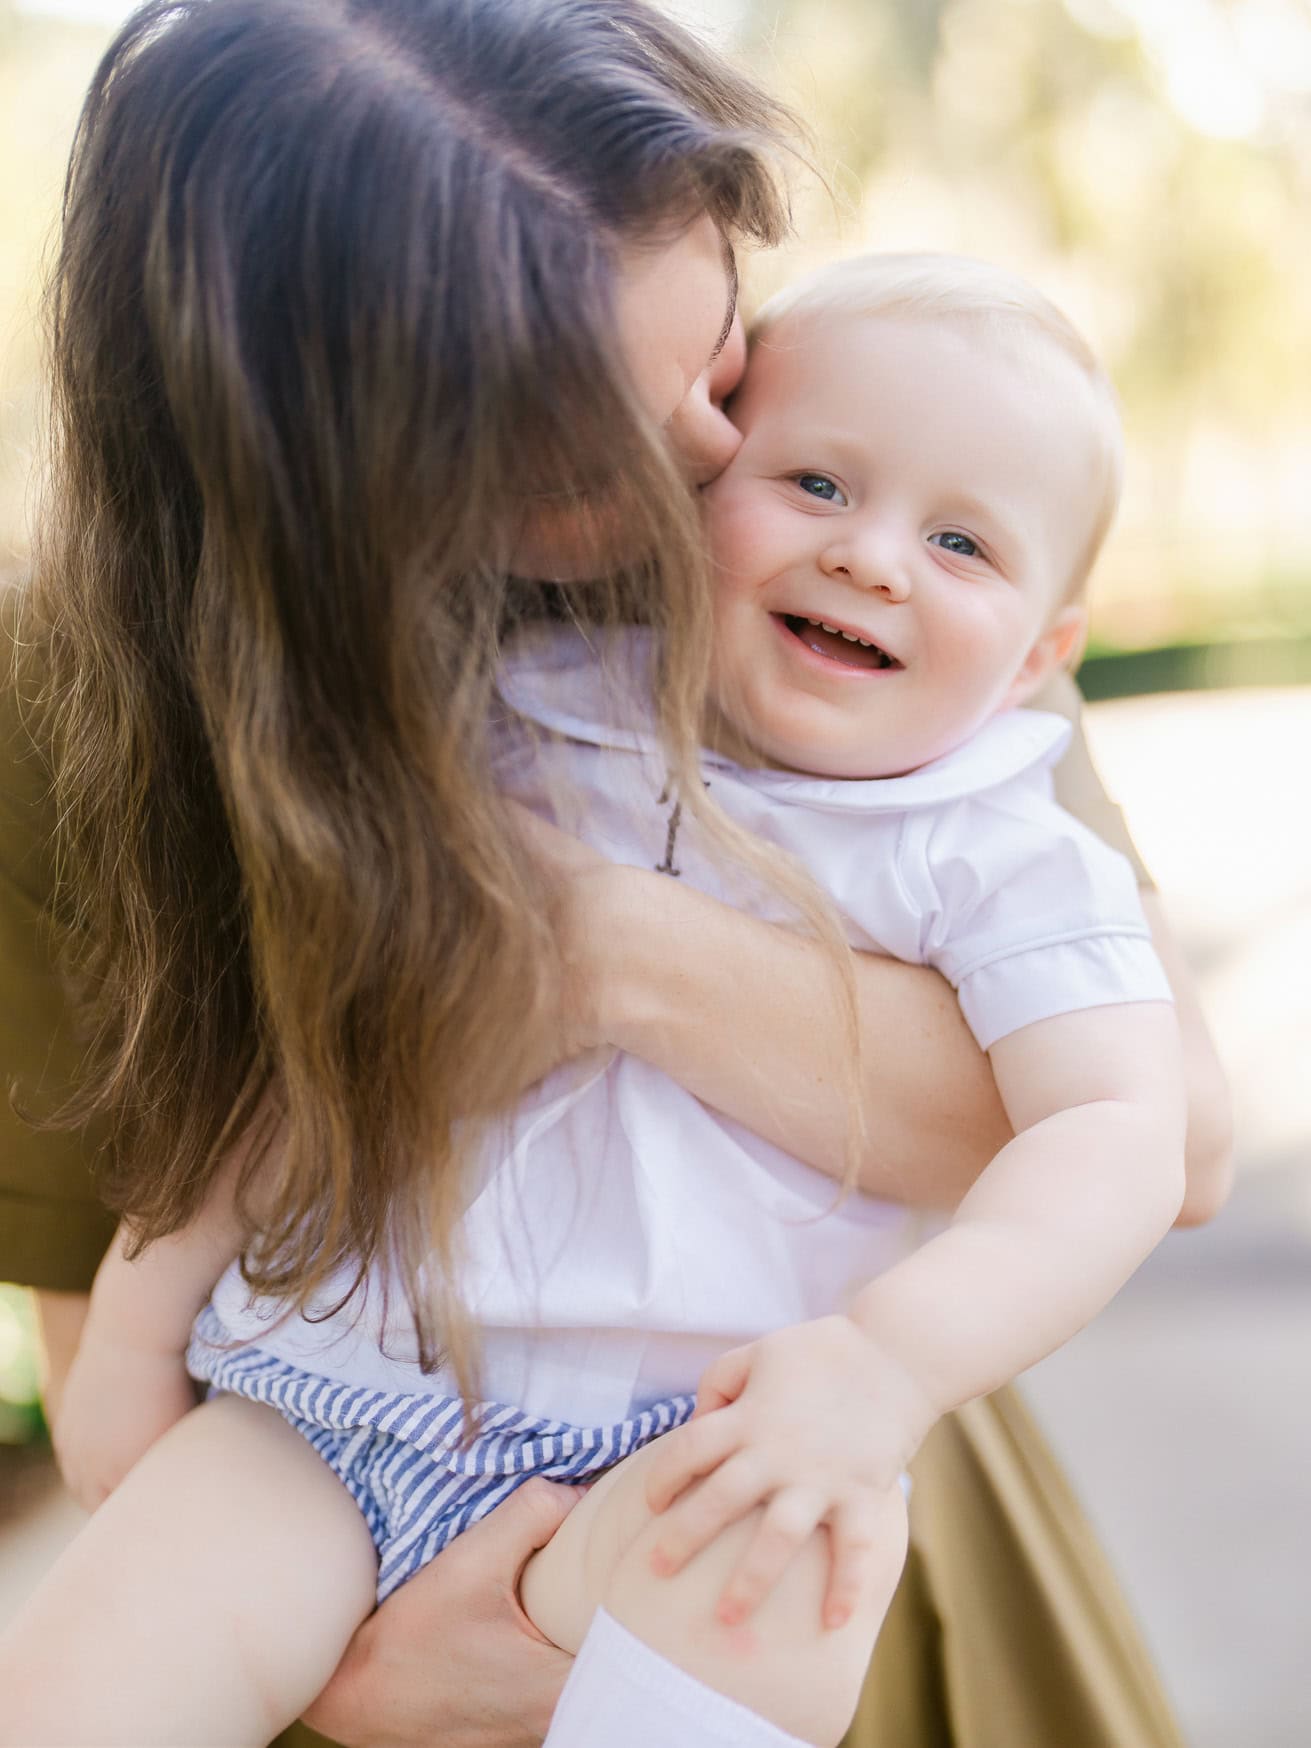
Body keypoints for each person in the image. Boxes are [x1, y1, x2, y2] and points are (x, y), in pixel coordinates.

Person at [0, 2, 1230, 1746]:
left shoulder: (899, 604)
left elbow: (1151, 1133)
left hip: (760, 1468)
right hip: (325, 1465)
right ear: (345, 484)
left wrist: (604, 955)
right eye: (594, 454)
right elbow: (125, 1276)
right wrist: (358, 1676)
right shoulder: (81, 702)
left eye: (724, 349)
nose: (731, 466)